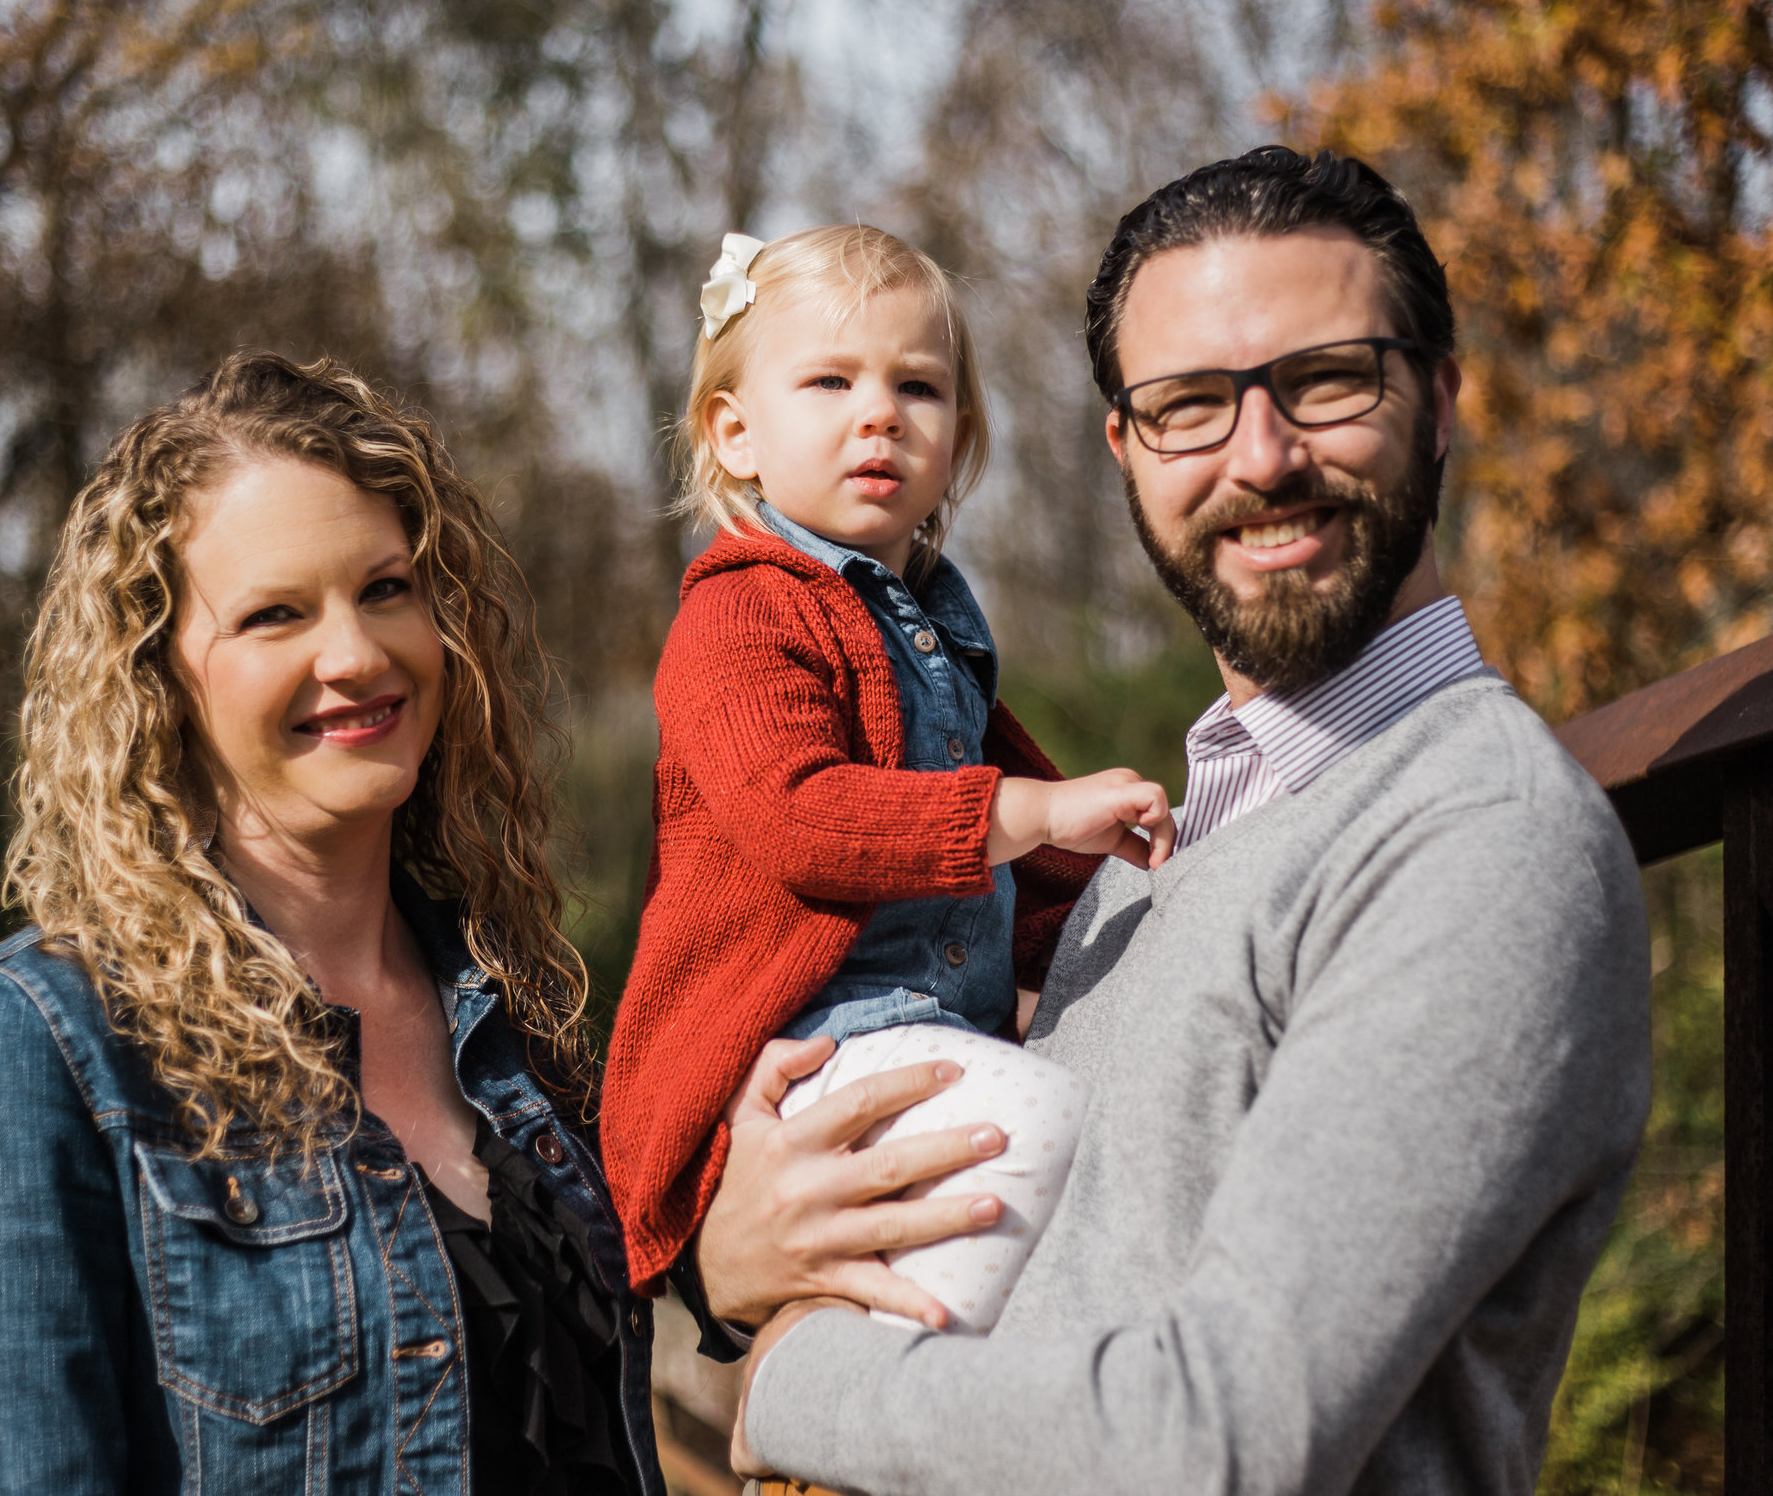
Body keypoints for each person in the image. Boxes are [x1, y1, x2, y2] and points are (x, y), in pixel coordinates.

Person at [695, 149, 1653, 1496]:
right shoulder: (1165, 850)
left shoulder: (1475, 838)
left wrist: (794, 1382)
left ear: (1439, 401)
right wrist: (742, 1262)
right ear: (1128, 450)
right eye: (1191, 405)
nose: (1260, 457)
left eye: (1326, 381)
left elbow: (1211, 1440)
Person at [0, 353, 662, 1496]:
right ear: (160, 682)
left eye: (386, 588)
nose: (354, 654)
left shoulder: (513, 1010)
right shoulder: (43, 1041)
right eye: (273, 613)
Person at [602, 225, 1176, 1336]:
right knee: (1045, 1127)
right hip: (810, 1042)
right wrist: (1034, 810)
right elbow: (800, 815)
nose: (880, 413)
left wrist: (1137, 881)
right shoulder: (736, 615)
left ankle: (969, 1380)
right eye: (829, 380)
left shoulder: (928, 620)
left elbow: (1043, 856)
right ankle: (895, 1410)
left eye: (918, 386)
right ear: (736, 433)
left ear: (958, 437)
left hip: (928, 1030)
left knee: (1111, 1131)